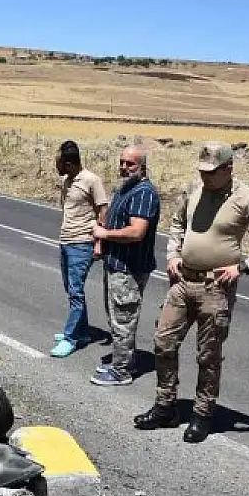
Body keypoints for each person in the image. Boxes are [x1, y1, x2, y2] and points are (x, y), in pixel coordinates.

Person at [133, 141, 249, 443]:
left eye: (212, 172)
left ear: (229, 168)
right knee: (163, 343)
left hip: (215, 288)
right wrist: (173, 255)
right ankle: (165, 407)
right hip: (181, 282)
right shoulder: (194, 190)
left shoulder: (246, 198)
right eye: (202, 171)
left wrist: (243, 266)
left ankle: (202, 414)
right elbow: (178, 223)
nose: (206, 177)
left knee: (208, 354)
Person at [88, 145, 161, 386]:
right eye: (121, 162)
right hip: (116, 265)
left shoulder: (143, 193)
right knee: (117, 317)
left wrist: (105, 234)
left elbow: (137, 232)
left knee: (123, 319)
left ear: (143, 166)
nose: (124, 167)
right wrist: (102, 242)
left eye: (130, 164)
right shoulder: (127, 189)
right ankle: (123, 360)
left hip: (130, 268)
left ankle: (121, 372)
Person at [52, 140, 109, 358]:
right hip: (66, 241)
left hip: (82, 242)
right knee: (70, 289)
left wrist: (98, 243)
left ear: (68, 163)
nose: (56, 166)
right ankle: (82, 331)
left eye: (58, 162)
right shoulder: (67, 181)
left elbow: (103, 210)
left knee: (76, 291)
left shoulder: (91, 181)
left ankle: (71, 338)